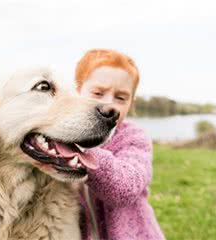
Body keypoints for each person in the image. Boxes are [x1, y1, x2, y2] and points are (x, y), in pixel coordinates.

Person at [75, 49, 165, 240]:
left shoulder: (134, 137)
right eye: (98, 93)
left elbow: (125, 188)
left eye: (121, 97)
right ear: (77, 91)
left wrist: (82, 152)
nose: (109, 104)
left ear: (131, 103)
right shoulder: (61, 137)